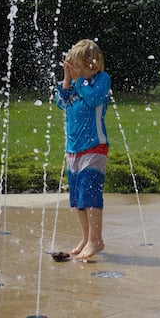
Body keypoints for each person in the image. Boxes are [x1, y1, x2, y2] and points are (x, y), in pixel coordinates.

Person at [56, 39, 111, 260]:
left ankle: (95, 240)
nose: (75, 70)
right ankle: (86, 237)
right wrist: (67, 81)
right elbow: (62, 103)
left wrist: (77, 82)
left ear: (92, 65)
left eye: (77, 66)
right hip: (74, 150)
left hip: (94, 148)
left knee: (90, 193)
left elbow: (94, 99)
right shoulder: (75, 84)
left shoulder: (100, 80)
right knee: (78, 198)